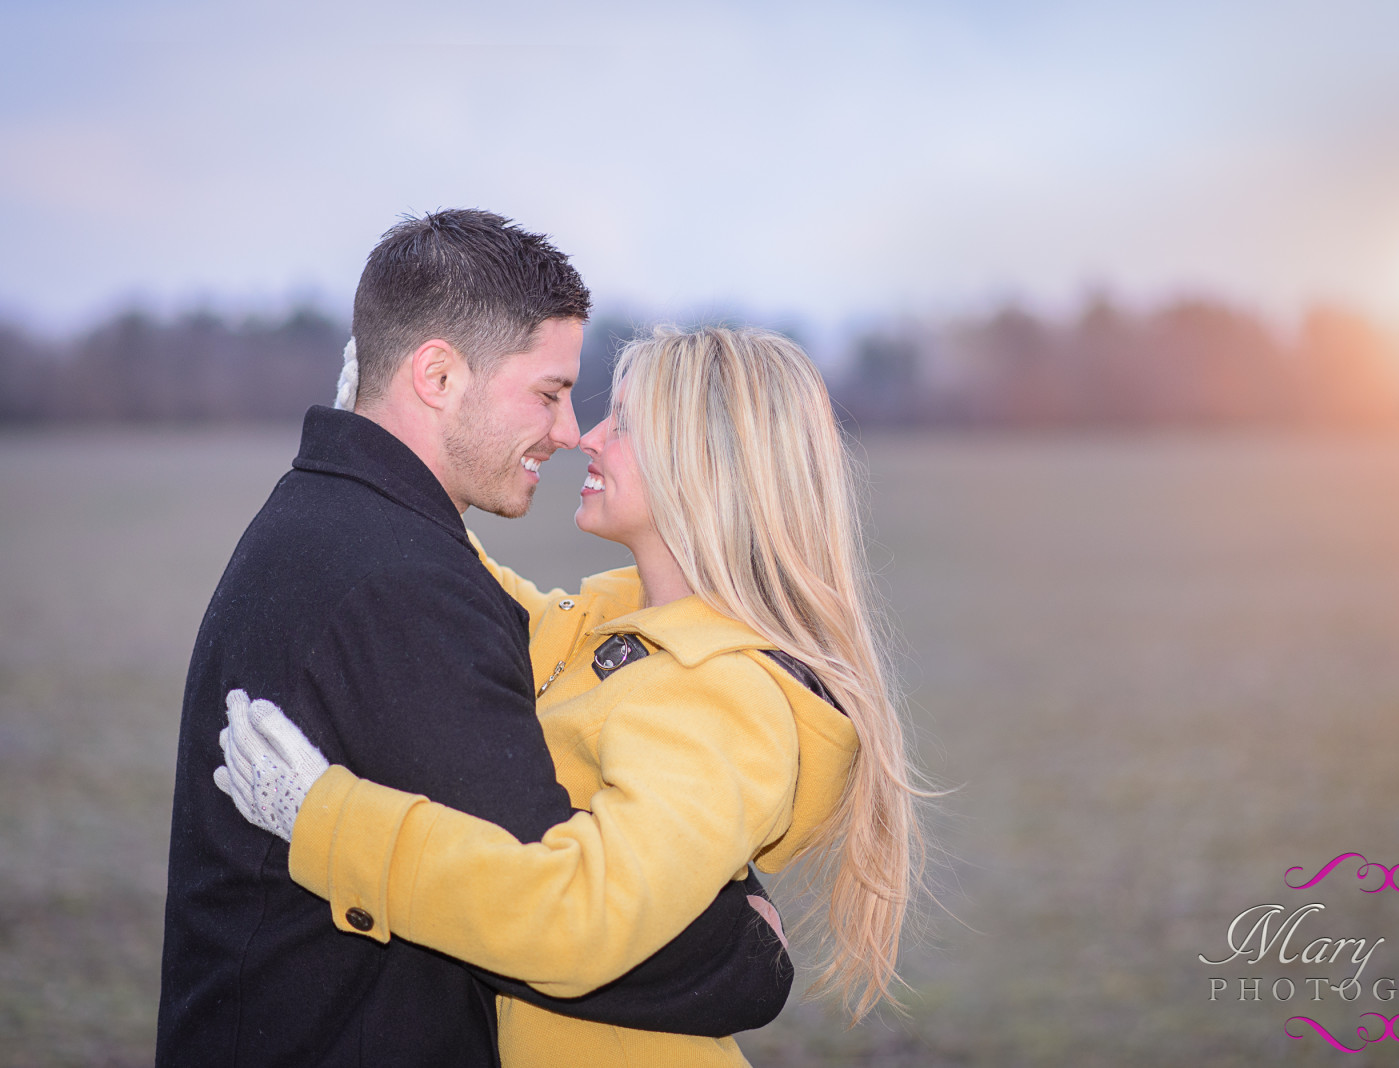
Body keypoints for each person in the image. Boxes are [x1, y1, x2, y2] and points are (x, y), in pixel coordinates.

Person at [156, 213, 791, 1067]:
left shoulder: (345, 525)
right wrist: (745, 960)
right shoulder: (397, 583)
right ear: (439, 374)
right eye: (548, 392)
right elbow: (547, 909)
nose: (571, 433)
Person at [216, 326, 927, 1066]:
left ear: (705, 465)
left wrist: (326, 823)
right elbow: (459, 594)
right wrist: (384, 439)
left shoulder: (725, 696)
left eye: (625, 422)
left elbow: (580, 920)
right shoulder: (619, 630)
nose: (588, 437)